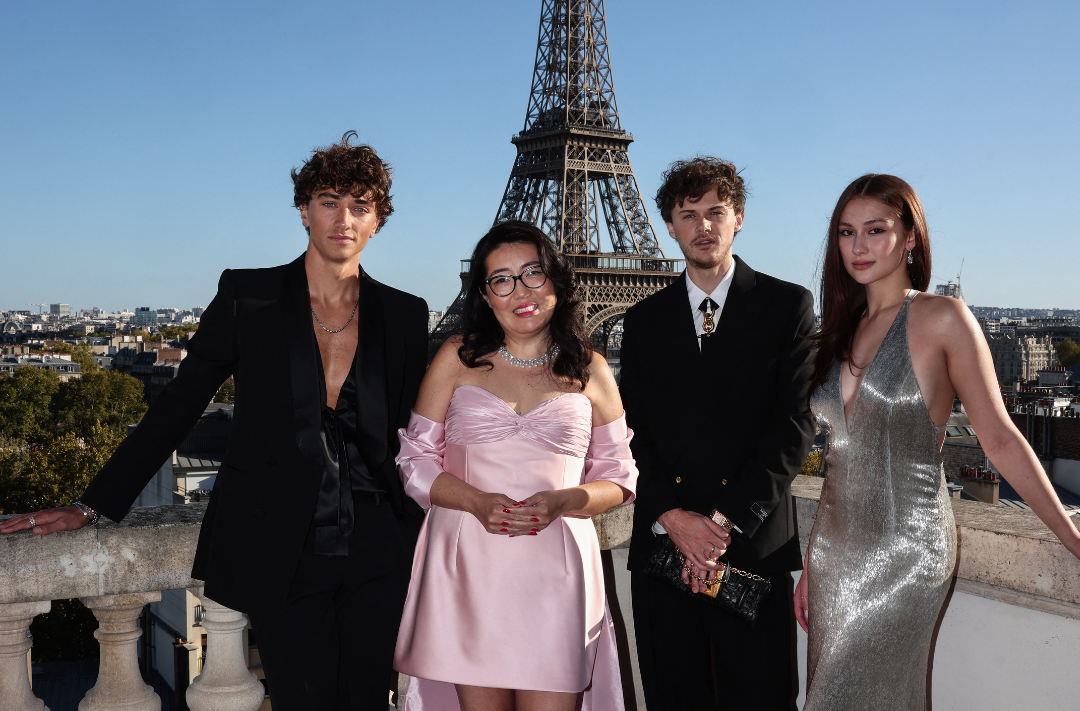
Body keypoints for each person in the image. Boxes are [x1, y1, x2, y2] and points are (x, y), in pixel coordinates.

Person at [0, 132, 430, 710]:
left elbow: (423, 431)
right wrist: (91, 504)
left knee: (367, 700)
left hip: (379, 545)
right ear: (304, 211)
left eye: (360, 206)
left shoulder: (404, 313)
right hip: (284, 543)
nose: (343, 218)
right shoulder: (248, 297)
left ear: (379, 221)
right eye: (329, 200)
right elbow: (179, 405)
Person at [794, 174, 1080, 711]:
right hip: (835, 554)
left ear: (909, 238)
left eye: (876, 230)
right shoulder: (841, 327)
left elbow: (998, 438)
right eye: (846, 232)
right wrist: (813, 562)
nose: (858, 246)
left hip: (907, 551)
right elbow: (838, 463)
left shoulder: (943, 318)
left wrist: (1070, 534)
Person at [392, 221, 637, 711]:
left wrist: (566, 500)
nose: (520, 291)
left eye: (533, 273)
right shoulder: (455, 359)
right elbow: (413, 458)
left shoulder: (591, 368)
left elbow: (620, 475)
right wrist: (477, 502)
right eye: (501, 279)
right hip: (468, 565)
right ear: (485, 293)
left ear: (556, 280)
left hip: (557, 568)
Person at [620, 157, 816, 710]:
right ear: (670, 225)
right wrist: (671, 517)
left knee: (759, 696)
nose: (703, 226)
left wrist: (723, 522)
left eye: (715, 212)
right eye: (688, 215)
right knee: (673, 694)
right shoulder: (643, 320)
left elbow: (793, 425)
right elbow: (630, 433)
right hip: (666, 543)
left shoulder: (786, 305)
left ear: (739, 219)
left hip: (749, 542)